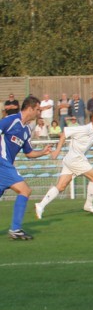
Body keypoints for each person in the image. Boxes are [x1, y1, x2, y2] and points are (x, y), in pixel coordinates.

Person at [35, 108, 93, 218]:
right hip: (76, 159)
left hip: (71, 160)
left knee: (61, 186)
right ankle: (88, 205)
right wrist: (57, 150)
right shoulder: (83, 129)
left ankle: (40, 205)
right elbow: (64, 133)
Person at [1, 96, 54, 239]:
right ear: (30, 108)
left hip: (6, 167)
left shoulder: (26, 131)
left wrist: (43, 152)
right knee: (25, 190)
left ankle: (15, 229)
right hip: (2, 163)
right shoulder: (12, 120)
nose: (39, 113)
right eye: (37, 110)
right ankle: (15, 229)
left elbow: (29, 153)